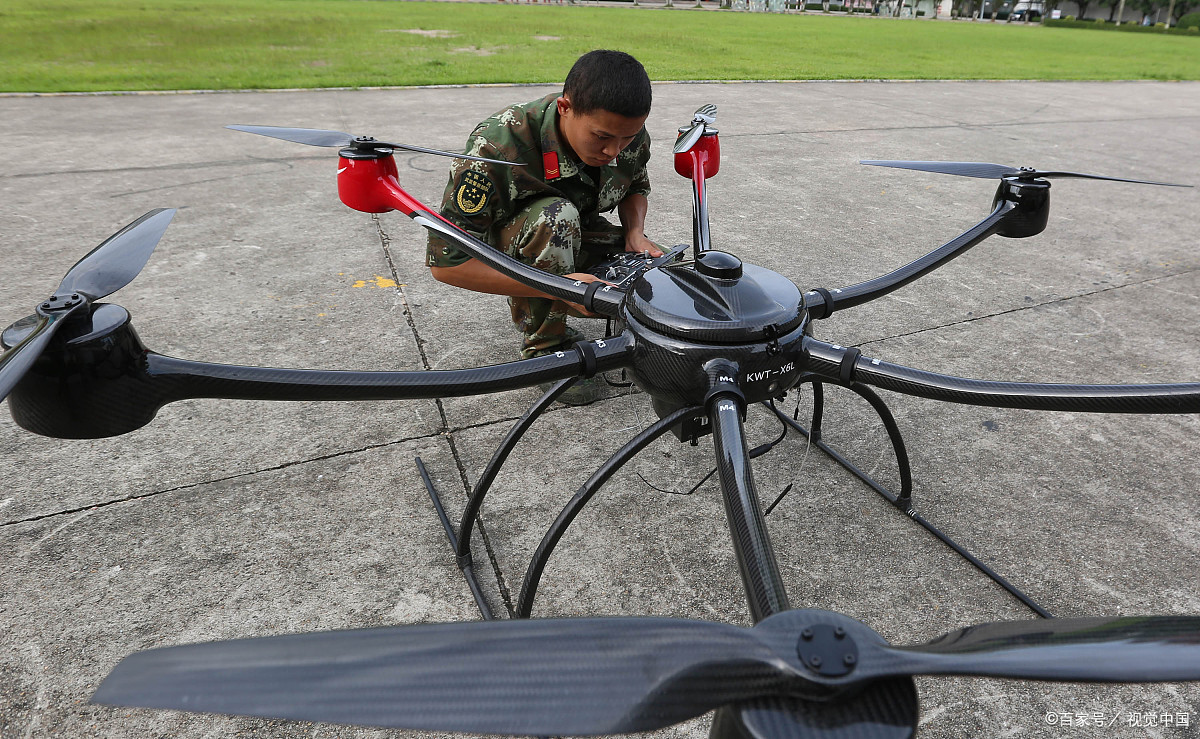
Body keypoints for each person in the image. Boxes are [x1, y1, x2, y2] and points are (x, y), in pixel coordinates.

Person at [426, 50, 661, 401]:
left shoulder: (624, 131)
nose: (613, 150)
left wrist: (634, 233)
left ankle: (641, 340)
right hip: (513, 249)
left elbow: (636, 186)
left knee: (659, 270)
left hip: (576, 232)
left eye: (626, 138)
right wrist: (561, 288)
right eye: (601, 137)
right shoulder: (498, 146)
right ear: (565, 108)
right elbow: (447, 265)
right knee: (556, 216)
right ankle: (547, 349)